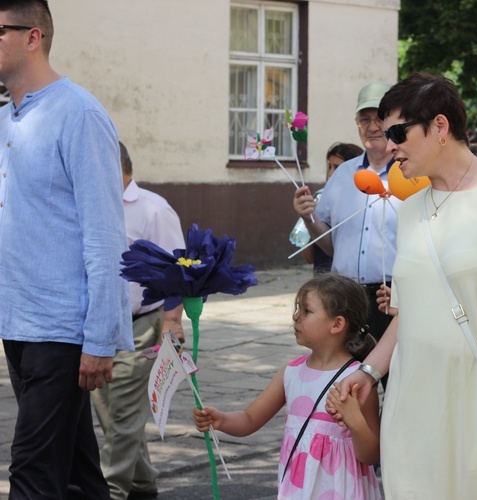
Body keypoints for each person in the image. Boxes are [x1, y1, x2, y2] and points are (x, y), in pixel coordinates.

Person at [330, 73, 477, 499]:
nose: (389, 145)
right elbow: (409, 312)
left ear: (440, 127)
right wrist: (370, 372)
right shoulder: (410, 210)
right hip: (412, 409)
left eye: (398, 132)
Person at [0, 1, 133, 498]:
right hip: (19, 322)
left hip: (62, 330)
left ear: (32, 37)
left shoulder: (78, 114)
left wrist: (101, 338)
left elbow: (104, 234)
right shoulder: (7, 121)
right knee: (76, 474)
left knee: (33, 471)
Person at [193, 274, 381, 500]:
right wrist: (220, 420)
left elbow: (371, 455)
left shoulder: (358, 380)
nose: (296, 317)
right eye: (297, 309)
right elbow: (250, 418)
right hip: (298, 491)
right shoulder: (291, 373)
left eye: (307, 311)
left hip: (344, 491)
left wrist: (355, 422)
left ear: (337, 324)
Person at [91, 142, 186, 500]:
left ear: (115, 166)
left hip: (142, 326)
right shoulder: (95, 204)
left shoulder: (153, 209)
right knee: (109, 413)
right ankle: (143, 483)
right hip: (101, 326)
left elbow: (177, 272)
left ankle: (111, 491)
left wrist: (172, 322)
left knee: (123, 416)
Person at [292, 82, 398, 359]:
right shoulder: (342, 175)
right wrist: (308, 217)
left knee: (392, 377)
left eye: (379, 118)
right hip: (344, 296)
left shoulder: (408, 173)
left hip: (390, 295)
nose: (372, 126)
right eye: (365, 119)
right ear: (357, 123)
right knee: (347, 379)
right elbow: (329, 246)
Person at [297, 142, 363, 274]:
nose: (331, 173)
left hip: (347, 277)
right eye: (329, 166)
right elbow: (309, 256)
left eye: (337, 167)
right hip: (323, 273)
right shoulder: (320, 198)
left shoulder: (364, 202)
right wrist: (309, 220)